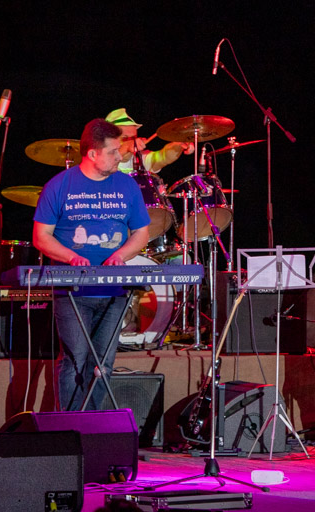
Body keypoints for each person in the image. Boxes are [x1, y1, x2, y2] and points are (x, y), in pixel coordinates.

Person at [33, 118, 152, 411]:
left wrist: (120, 255)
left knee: (103, 364)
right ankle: (70, 427)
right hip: (72, 290)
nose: (120, 156)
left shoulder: (127, 185)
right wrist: (70, 257)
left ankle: (93, 426)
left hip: (114, 291)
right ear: (92, 154)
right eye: (113, 151)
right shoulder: (59, 185)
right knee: (74, 360)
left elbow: (141, 233)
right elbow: (41, 237)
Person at [105, 108, 194, 174]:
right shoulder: (98, 159)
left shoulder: (139, 159)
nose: (131, 141)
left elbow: (163, 157)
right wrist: (126, 147)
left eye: (133, 138)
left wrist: (179, 144)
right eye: (125, 138)